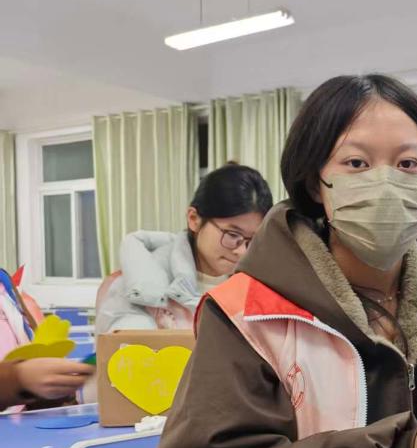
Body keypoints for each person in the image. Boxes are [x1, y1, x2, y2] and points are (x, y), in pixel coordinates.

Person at [152, 75, 417, 448]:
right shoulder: (247, 316)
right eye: (357, 163)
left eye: (408, 164)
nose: (386, 183)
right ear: (316, 182)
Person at [95, 163, 273, 333]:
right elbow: (120, 350)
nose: (241, 252)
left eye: (252, 241)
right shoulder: (138, 286)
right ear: (194, 219)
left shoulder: (258, 287)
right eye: (233, 235)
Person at [0, 271, 93, 411]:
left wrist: (53, 389)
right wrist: (19, 378)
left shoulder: (5, 286)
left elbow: (28, 342)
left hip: (23, 418)